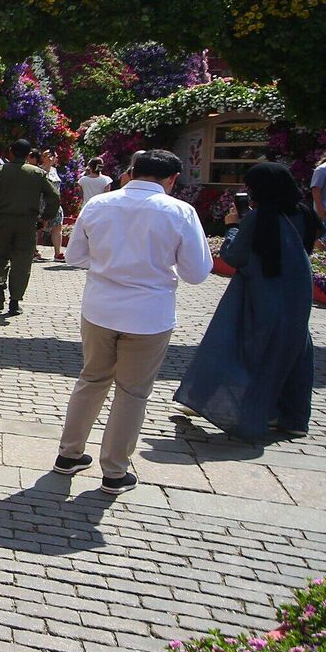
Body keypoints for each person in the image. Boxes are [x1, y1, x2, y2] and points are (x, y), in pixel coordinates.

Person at [53, 150, 213, 494]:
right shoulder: (180, 212)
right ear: (172, 180)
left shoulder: (99, 205)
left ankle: (69, 454)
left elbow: (75, 256)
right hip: (148, 315)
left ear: (131, 172)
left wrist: (110, 261)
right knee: (132, 392)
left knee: (92, 379)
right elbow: (197, 272)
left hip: (100, 308)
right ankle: (113, 470)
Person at [174, 163, 319, 439]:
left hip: (260, 295)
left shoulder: (260, 218)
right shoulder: (305, 214)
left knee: (239, 346)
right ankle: (291, 416)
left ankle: (225, 404)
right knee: (295, 352)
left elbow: (235, 256)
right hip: (297, 295)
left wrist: (232, 228)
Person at [0, 139, 60, 315]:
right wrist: (45, 218)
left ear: (10, 152)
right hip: (27, 224)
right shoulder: (37, 173)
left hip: (3, 222)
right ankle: (14, 301)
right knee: (22, 262)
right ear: (29, 155)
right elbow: (55, 197)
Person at [39, 149, 67, 262]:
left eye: (53, 156)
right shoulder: (40, 170)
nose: (51, 158)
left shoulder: (55, 170)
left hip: (55, 203)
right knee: (38, 227)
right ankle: (34, 251)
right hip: (42, 203)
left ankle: (57, 252)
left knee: (57, 227)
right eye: (48, 156)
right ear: (43, 157)